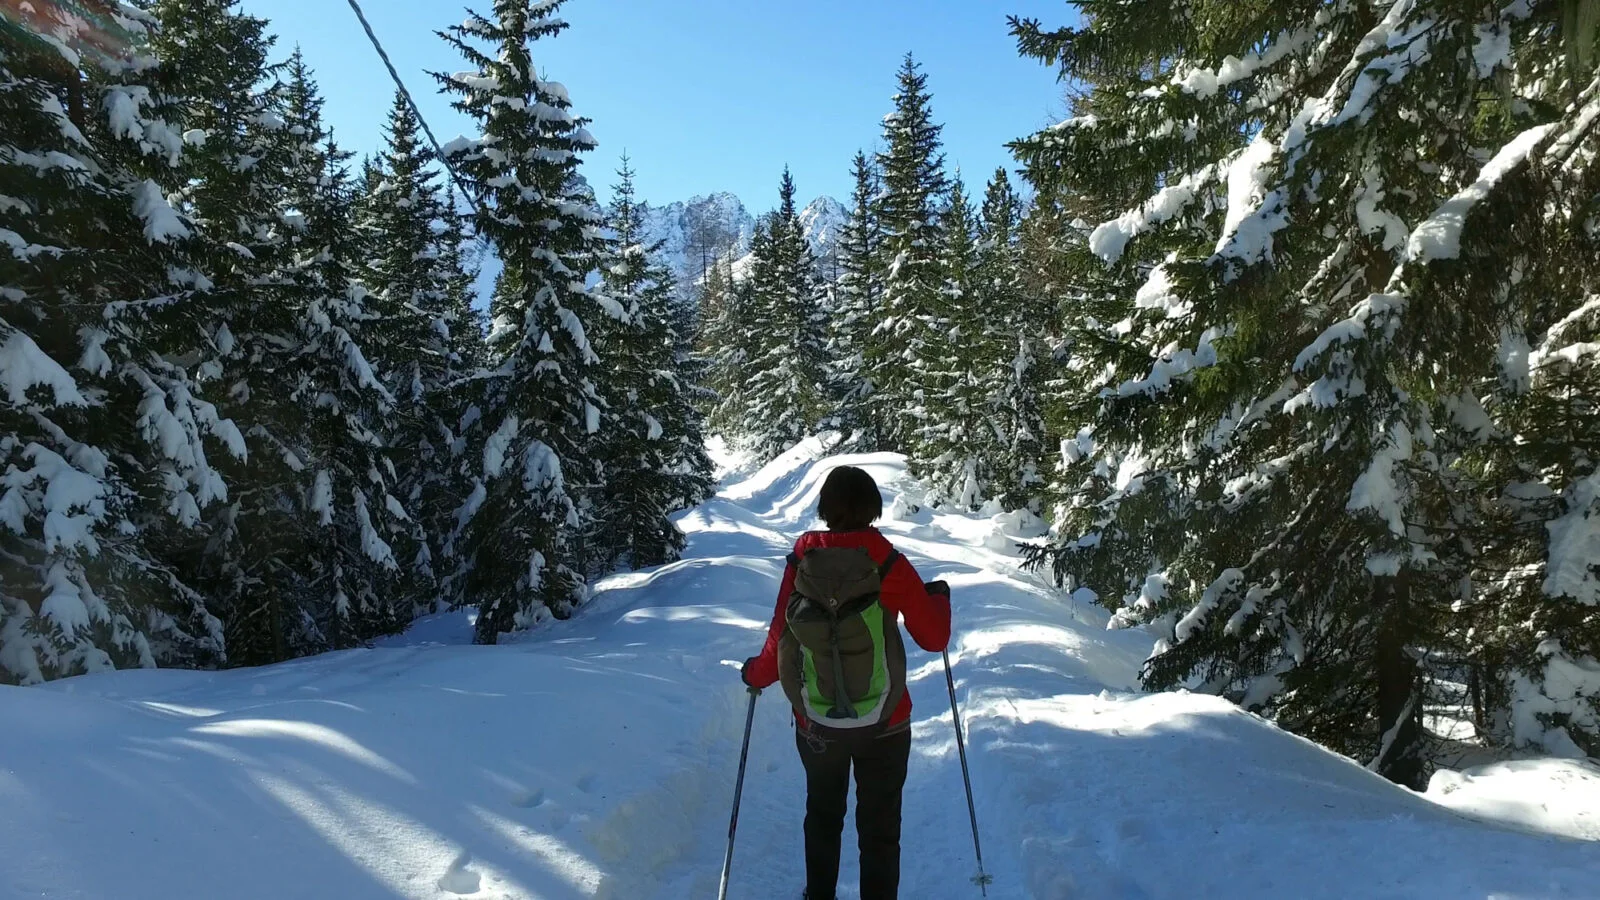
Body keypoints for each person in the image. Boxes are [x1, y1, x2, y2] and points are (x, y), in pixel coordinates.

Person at [741, 465, 952, 900]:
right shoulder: (887, 558)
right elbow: (934, 639)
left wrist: (756, 673)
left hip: (817, 721)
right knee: (880, 827)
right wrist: (939, 600)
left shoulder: (804, 558)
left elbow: (781, 631)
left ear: (826, 508)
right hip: (887, 722)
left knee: (822, 814)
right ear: (873, 507)